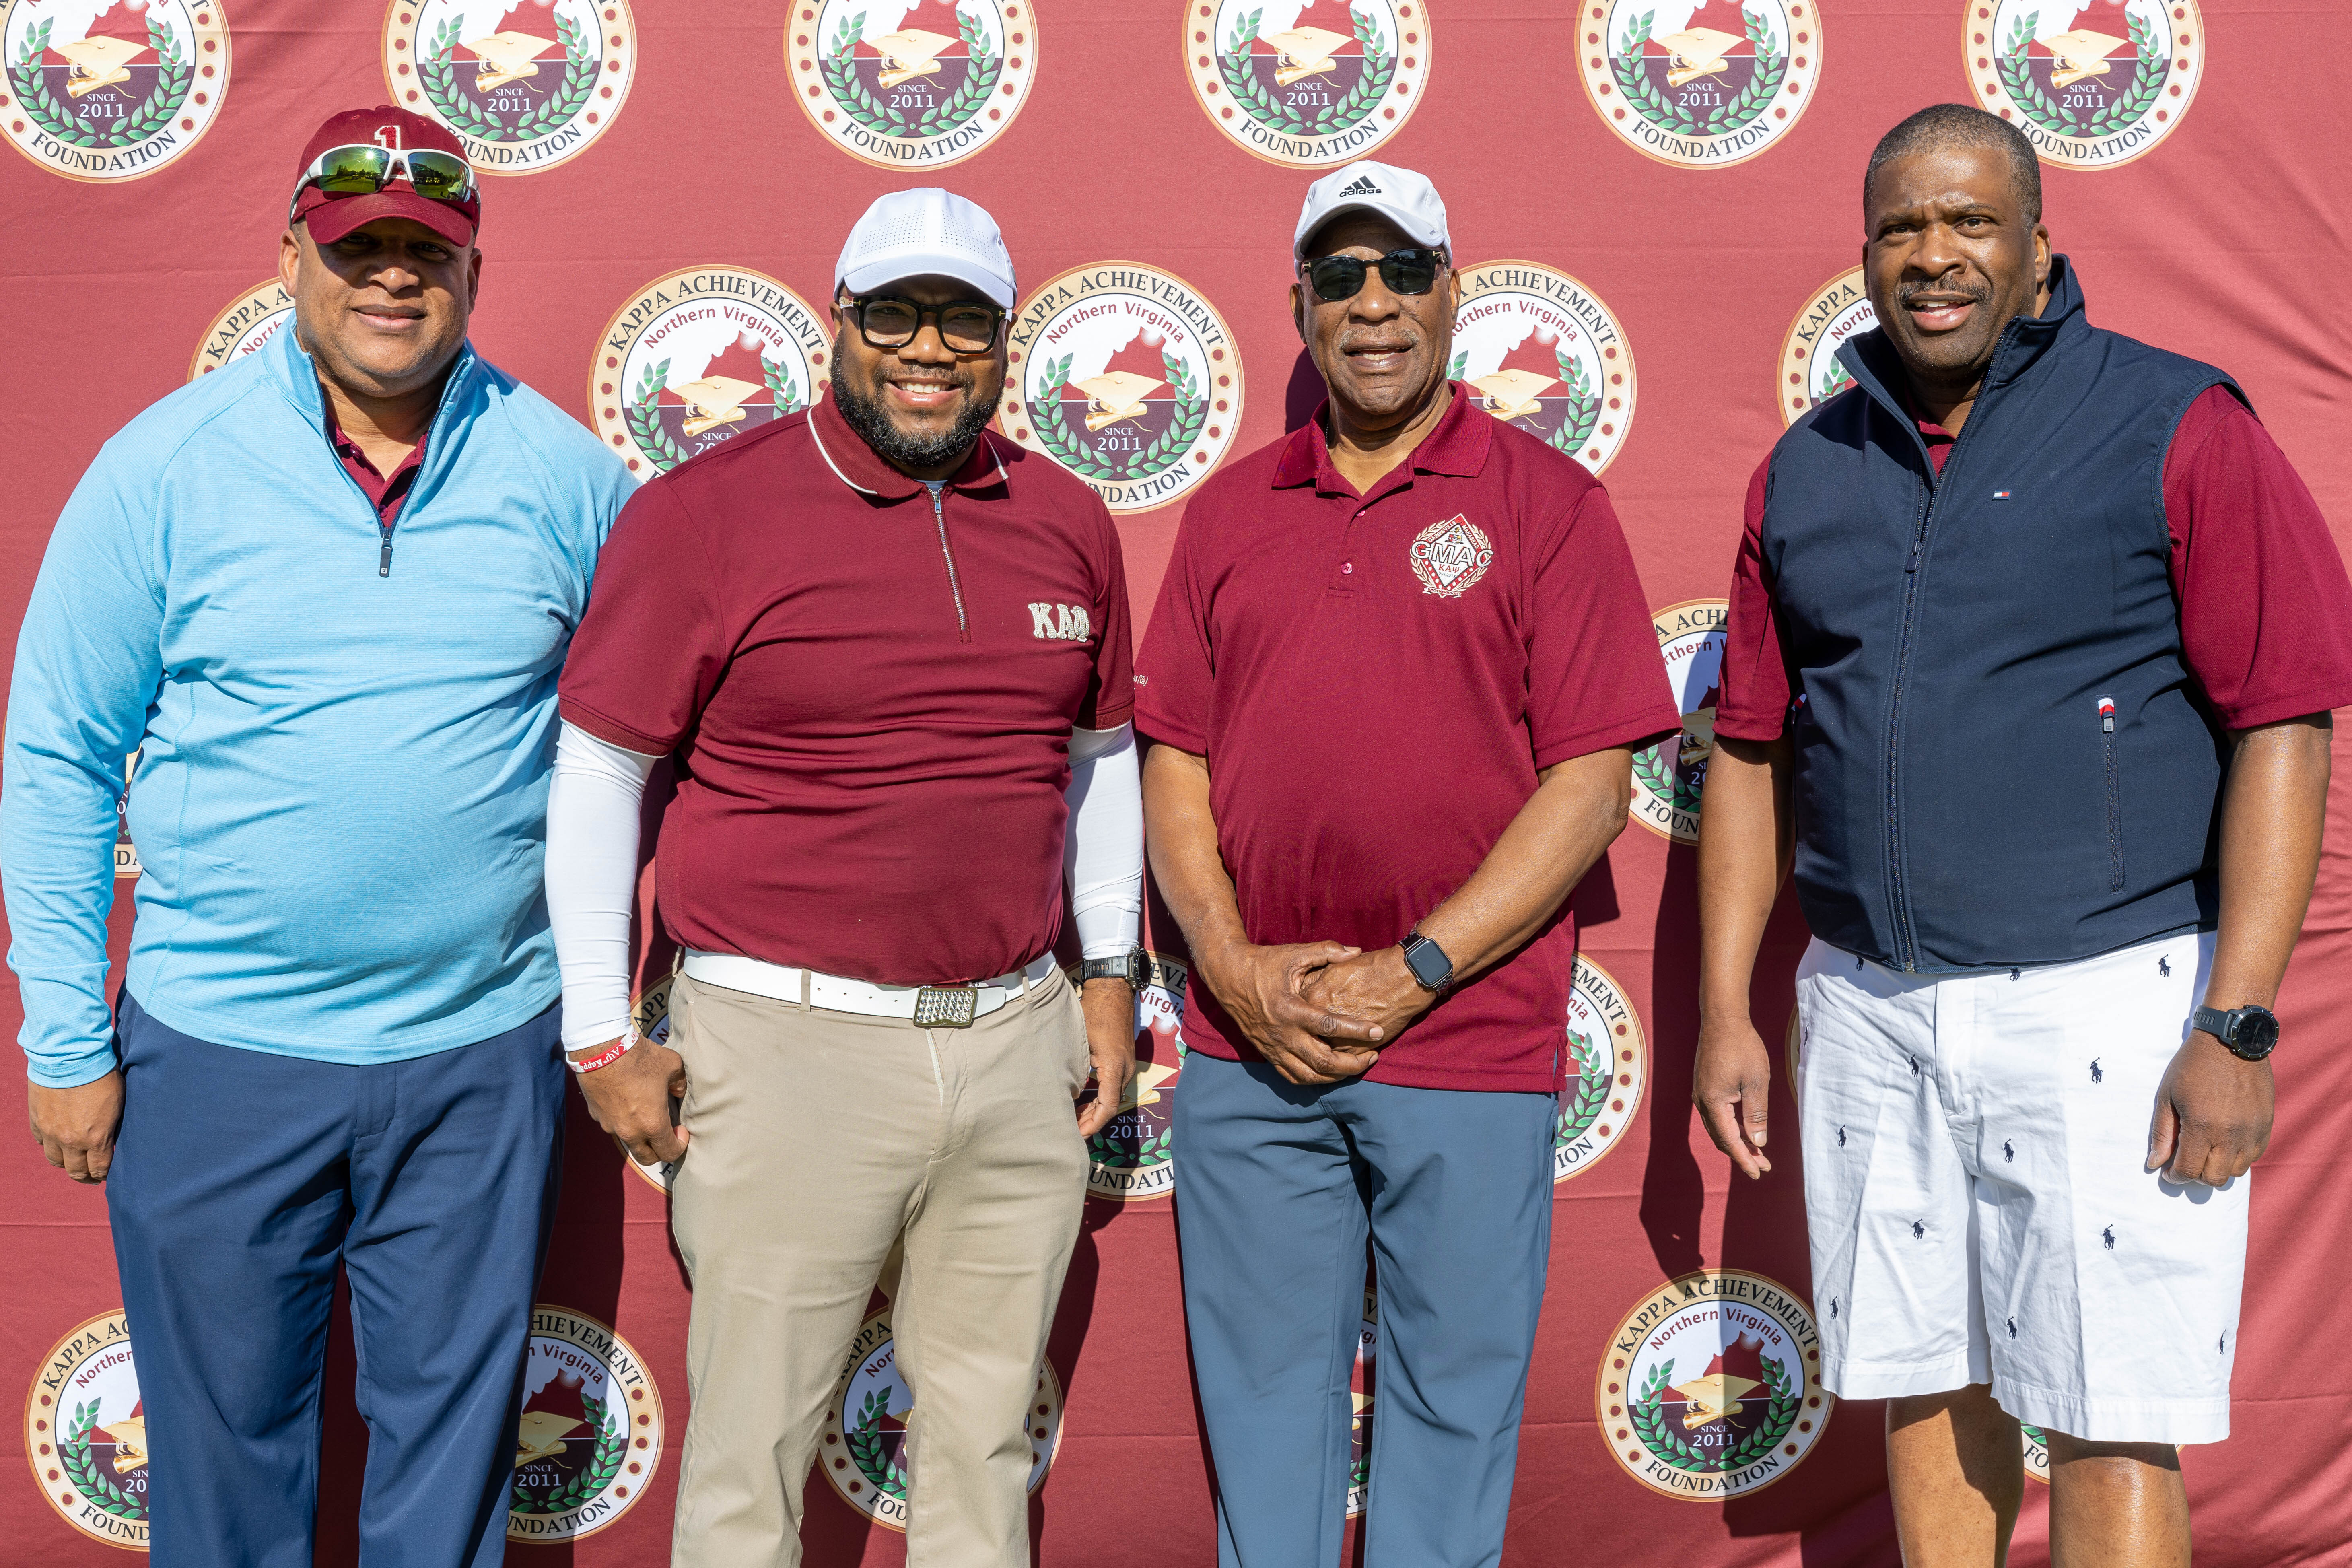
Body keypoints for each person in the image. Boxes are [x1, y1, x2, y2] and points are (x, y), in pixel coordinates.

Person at [1693, 104, 2352, 1568]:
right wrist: (1728, 1006)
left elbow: (2286, 724)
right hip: (1869, 1008)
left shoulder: (2177, 421)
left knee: (2111, 1413)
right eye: (1901, 228)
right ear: (1866, 252)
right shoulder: (1807, 468)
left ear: (2040, 245)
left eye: (1970, 222)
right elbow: (1749, 745)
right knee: (1928, 1388)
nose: (1934, 255)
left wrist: (2238, 1021)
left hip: (2106, 1000)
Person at [2, 106, 630, 1566]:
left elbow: (645, 747)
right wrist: (63, 1038)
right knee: (223, 1479)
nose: (394, 277)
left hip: (477, 1058)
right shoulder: (166, 468)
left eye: (427, 250)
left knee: (449, 1481)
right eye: (358, 248)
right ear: (292, 256)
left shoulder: (567, 476)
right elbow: (57, 756)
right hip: (220, 1057)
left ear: (473, 274)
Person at [547, 186, 1143, 1568]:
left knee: (985, 1454)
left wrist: (1110, 975)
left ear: (1006, 342)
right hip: (783, 1042)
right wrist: (597, 1034)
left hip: (1013, 1040)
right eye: (895, 314)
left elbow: (1102, 755)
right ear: (839, 322)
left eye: (964, 320)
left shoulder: (1066, 516)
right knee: (748, 1464)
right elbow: (600, 771)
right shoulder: (708, 513)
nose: (928, 348)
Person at [1134, 160, 1680, 1568]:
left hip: (1466, 1038)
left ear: (1452, 291)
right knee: (1263, 1423)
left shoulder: (1548, 502)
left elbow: (1590, 786)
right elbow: (1173, 760)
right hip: (1251, 1047)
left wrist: (1415, 968)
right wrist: (1234, 968)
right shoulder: (1231, 511)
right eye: (1340, 276)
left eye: (1401, 272)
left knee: (1453, 1419)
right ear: (1301, 307)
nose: (1371, 304)